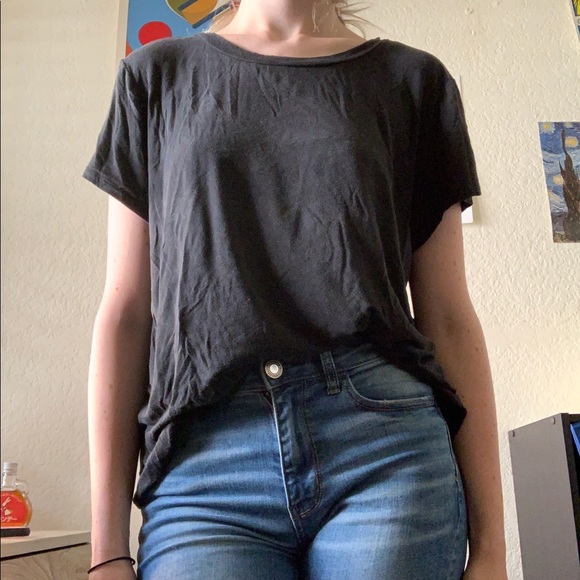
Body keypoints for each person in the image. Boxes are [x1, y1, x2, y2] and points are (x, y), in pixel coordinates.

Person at [82, 0, 508, 578]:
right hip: (205, 464)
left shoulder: (413, 81)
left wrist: (492, 548)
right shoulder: (154, 77)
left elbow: (449, 316)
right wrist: (106, 551)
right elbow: (127, 312)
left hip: (385, 449)